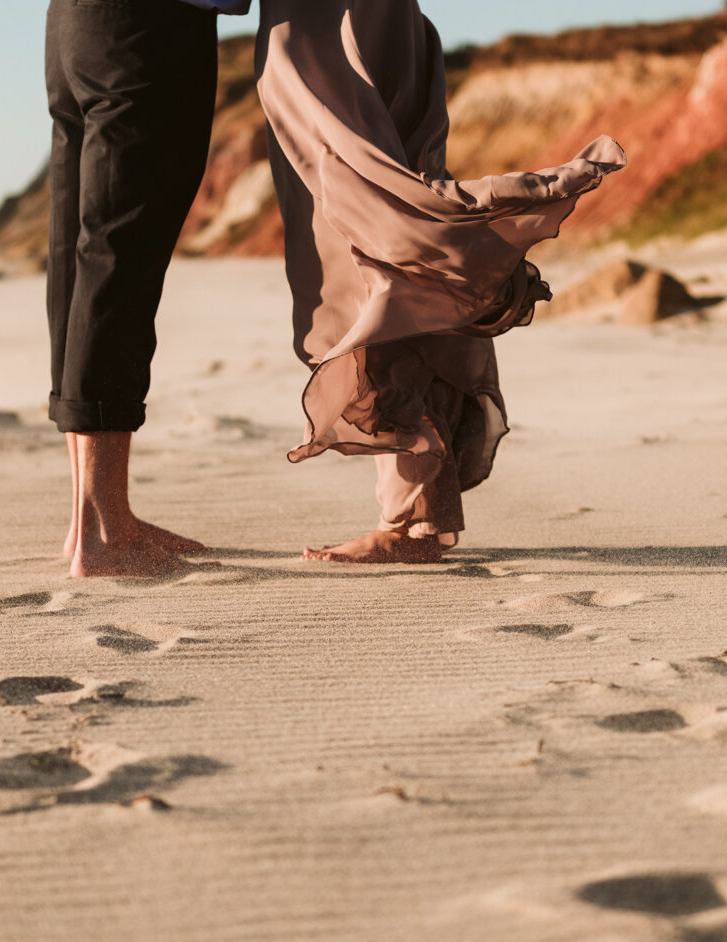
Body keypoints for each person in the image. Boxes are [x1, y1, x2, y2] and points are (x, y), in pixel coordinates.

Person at [255, 0, 627, 563]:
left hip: (324, 20)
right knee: (380, 224)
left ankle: (409, 519)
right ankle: (421, 512)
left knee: (361, 238)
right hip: (383, 21)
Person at [44, 0, 251, 577]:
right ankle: (102, 529)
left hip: (73, 22)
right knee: (118, 253)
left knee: (81, 251)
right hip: (150, 22)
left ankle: (93, 518)